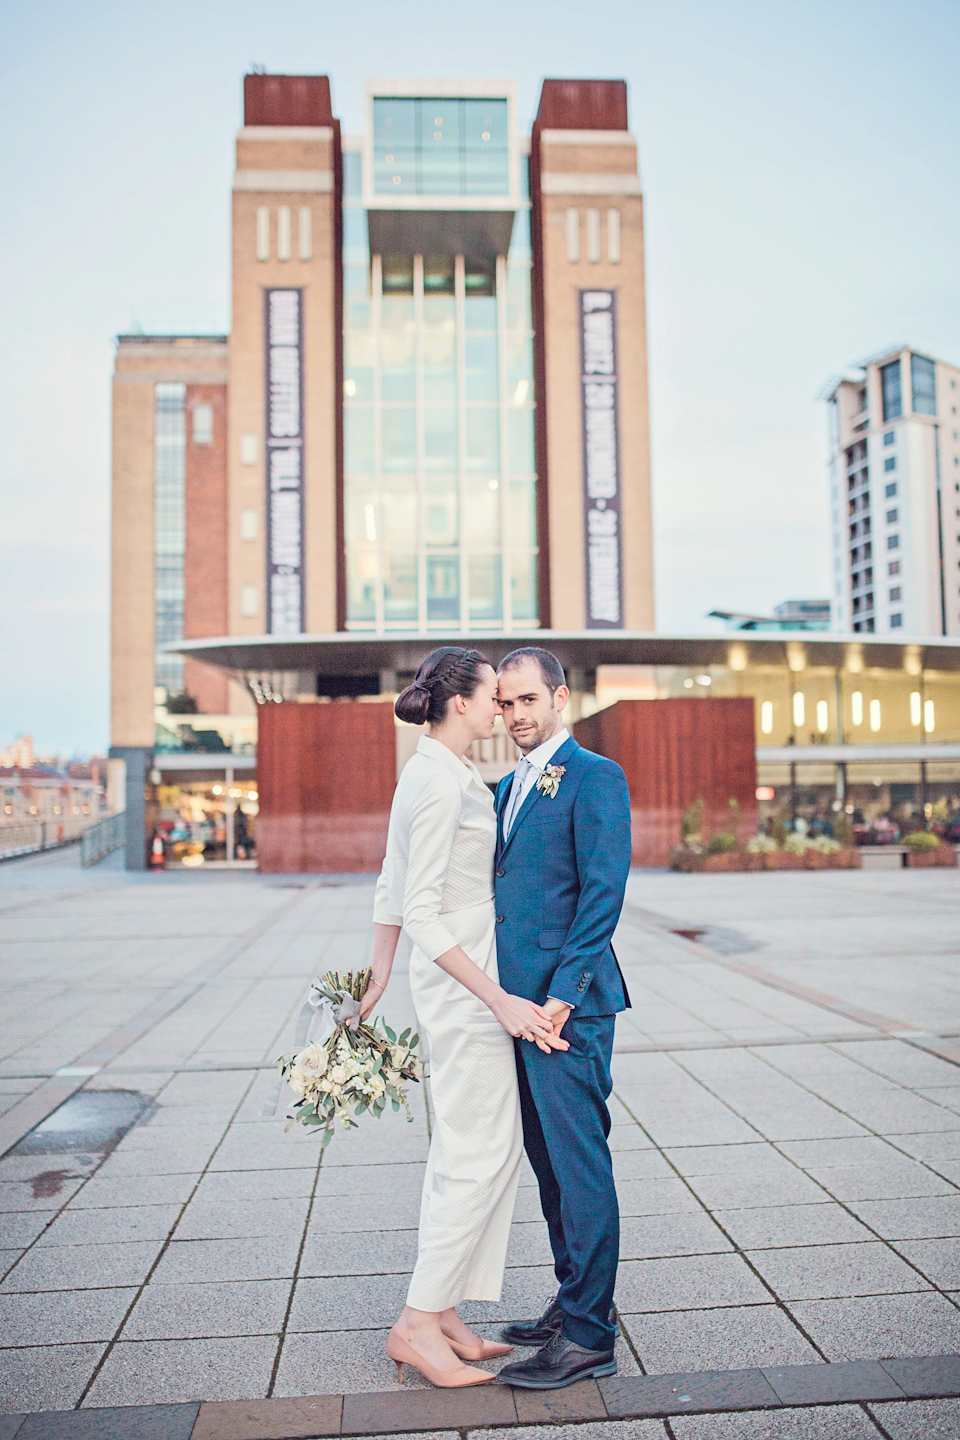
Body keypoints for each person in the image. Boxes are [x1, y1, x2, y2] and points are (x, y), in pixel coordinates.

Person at [359, 646, 568, 1390]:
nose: (500, 711)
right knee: (481, 1154)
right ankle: (416, 1324)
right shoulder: (440, 783)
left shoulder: (431, 770)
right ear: (458, 703)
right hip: (468, 987)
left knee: (466, 1150)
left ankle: (442, 1311)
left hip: (457, 980)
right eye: (491, 699)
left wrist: (379, 974)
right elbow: (416, 906)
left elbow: (391, 880)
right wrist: (500, 999)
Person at [493, 647, 633, 1391]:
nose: (515, 715)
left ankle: (588, 1337)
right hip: (518, 1011)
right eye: (505, 703)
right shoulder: (505, 787)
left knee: (579, 1166)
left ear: (559, 699)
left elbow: (603, 894)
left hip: (566, 1010)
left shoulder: (595, 778)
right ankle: (570, 1296)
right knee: (547, 1162)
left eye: (527, 701)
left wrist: (564, 993)